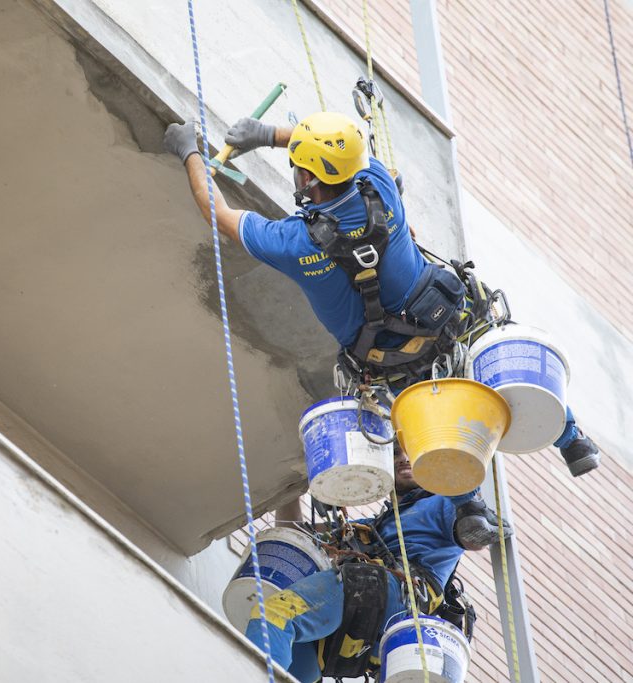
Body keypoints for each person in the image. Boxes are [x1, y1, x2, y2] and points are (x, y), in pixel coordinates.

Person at [162, 113, 599, 476]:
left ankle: (468, 509)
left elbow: (216, 211)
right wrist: (272, 135)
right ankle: (573, 440)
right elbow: (341, 151)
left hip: (386, 361)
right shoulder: (379, 185)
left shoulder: (294, 242)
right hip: (446, 316)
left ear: (307, 175)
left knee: (437, 425)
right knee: (499, 353)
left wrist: (190, 152)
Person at [242, 445, 509, 682]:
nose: (403, 459)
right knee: (298, 664)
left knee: (274, 614)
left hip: (388, 589)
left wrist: (472, 511)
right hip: (380, 619)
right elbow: (297, 534)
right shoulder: (374, 527)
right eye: (395, 454)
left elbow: (472, 536)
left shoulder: (441, 503)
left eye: (411, 454)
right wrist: (291, 488)